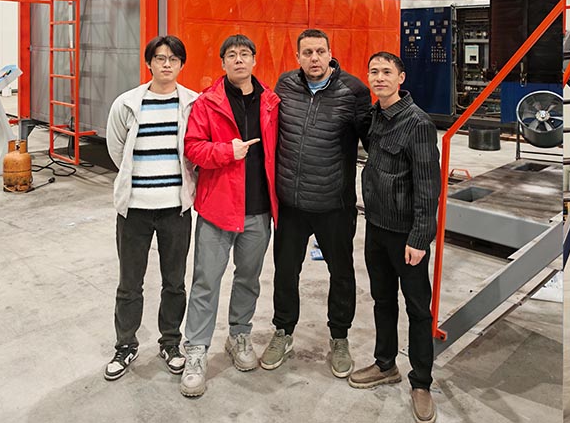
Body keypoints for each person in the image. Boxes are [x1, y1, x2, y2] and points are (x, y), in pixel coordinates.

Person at [260, 29, 372, 376]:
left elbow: (374, 140)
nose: (314, 58)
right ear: (297, 56)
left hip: (333, 204)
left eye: (320, 51)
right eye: (307, 52)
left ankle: (339, 337)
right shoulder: (285, 85)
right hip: (291, 203)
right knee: (285, 271)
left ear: (330, 53)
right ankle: (283, 331)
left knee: (341, 273)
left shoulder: (353, 91)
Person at [179, 34, 280, 398]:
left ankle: (239, 335)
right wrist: (226, 151)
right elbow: (193, 149)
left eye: (245, 54)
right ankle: (196, 350)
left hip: (258, 211)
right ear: (222, 63)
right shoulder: (207, 103)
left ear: (254, 60)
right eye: (232, 55)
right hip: (218, 210)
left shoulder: (271, 102)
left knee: (248, 279)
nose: (239, 60)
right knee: (206, 282)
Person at [348, 52, 441, 423]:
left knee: (417, 308)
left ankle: (422, 383)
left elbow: (428, 186)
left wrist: (419, 237)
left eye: (387, 72)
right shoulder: (374, 116)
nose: (379, 78)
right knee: (382, 300)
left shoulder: (417, 123)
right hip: (376, 228)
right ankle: (385, 364)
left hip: (406, 235)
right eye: (374, 71)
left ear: (401, 78)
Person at [103, 35, 198, 381]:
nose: (166, 64)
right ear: (149, 63)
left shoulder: (193, 104)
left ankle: (170, 342)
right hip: (135, 211)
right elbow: (117, 150)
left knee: (174, 282)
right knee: (130, 283)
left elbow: (196, 151)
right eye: (160, 58)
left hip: (175, 209)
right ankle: (125, 345)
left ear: (181, 64)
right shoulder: (127, 104)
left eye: (173, 59)